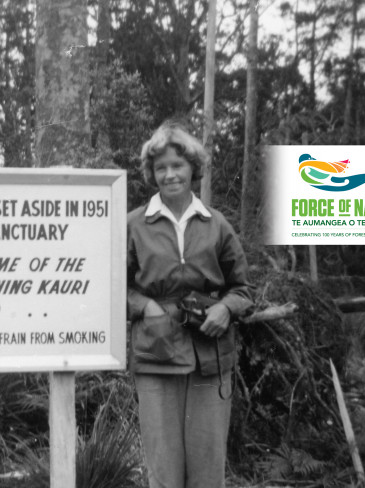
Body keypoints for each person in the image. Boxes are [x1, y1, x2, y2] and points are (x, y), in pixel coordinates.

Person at [127, 121, 253, 488]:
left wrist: (225, 309)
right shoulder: (134, 225)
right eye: (161, 167)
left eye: (178, 166)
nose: (170, 175)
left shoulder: (217, 225)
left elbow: (243, 287)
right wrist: (146, 307)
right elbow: (114, 288)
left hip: (210, 359)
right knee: (163, 472)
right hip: (156, 355)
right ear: (152, 173)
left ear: (193, 169)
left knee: (207, 471)